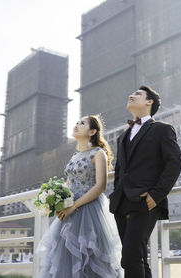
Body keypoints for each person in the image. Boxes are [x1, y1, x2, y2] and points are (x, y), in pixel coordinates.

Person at [109, 85, 181, 278]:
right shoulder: (122, 136)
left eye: (137, 94)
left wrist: (156, 195)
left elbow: (174, 161)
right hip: (122, 202)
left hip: (145, 200)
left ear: (149, 102)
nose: (131, 95)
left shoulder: (162, 129)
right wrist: (116, 195)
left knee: (131, 256)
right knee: (135, 258)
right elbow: (120, 170)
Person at [37, 115, 123, 278]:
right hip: (68, 213)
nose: (76, 125)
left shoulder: (98, 153)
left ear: (92, 131)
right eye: (76, 122)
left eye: (82, 123)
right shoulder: (74, 157)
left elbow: (100, 186)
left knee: (90, 260)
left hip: (89, 211)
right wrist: (57, 201)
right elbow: (68, 185)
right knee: (64, 260)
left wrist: (74, 206)